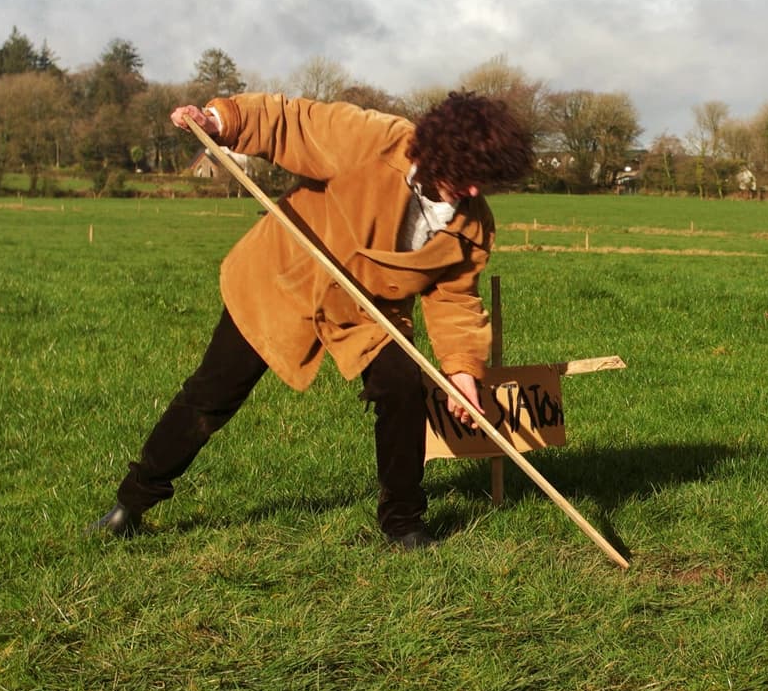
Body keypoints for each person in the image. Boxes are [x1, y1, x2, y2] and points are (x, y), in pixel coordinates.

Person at [92, 90, 534, 549]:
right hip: (285, 280)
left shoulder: (472, 224)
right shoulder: (374, 140)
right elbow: (291, 121)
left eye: (488, 179)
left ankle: (404, 523)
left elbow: (455, 298)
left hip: (368, 313)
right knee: (212, 395)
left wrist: (462, 370)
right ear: (443, 149)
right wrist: (219, 119)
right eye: (471, 174)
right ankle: (131, 503)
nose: (477, 190)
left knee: (403, 388)